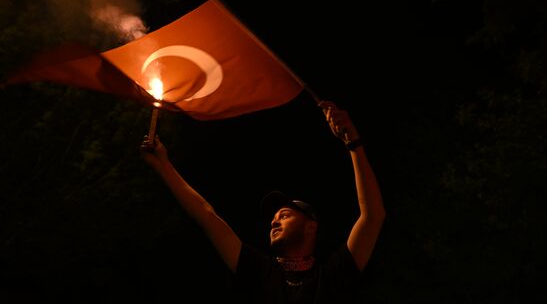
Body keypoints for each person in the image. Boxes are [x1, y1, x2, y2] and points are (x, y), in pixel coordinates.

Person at [140, 100, 385, 304]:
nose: (274, 221)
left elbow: (373, 216)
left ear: (311, 226)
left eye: (285, 215)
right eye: (274, 217)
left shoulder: (333, 276)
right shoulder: (256, 271)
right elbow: (206, 216)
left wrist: (353, 143)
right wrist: (164, 166)